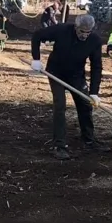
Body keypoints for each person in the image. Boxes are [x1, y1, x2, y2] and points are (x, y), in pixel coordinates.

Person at [31, 13, 104, 159]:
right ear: (76, 27)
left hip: (76, 75)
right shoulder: (61, 30)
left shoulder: (95, 41)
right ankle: (59, 145)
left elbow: (96, 67)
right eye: (82, 31)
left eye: (88, 32)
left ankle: (88, 139)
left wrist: (94, 92)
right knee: (60, 106)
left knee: (85, 104)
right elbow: (37, 36)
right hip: (56, 73)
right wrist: (36, 59)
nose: (84, 35)